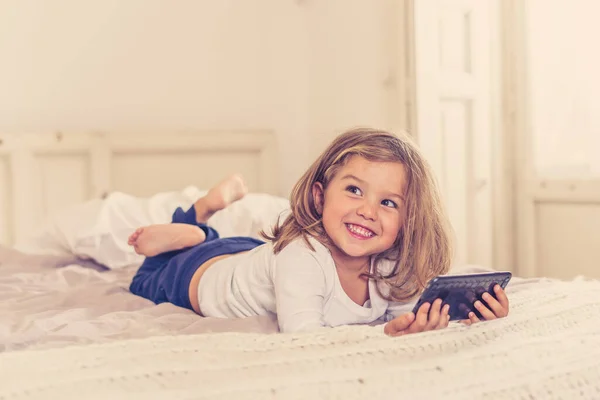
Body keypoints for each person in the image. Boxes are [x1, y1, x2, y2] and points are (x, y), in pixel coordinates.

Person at [128, 128, 510, 335]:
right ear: (319, 194)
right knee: (148, 275)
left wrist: (462, 317)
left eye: (388, 203)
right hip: (198, 275)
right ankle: (197, 219)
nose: (367, 211)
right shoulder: (301, 256)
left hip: (250, 255)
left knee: (252, 253)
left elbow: (403, 313)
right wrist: (384, 337)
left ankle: (204, 232)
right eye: (354, 190)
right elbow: (304, 338)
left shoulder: (390, 264)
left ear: (408, 221)